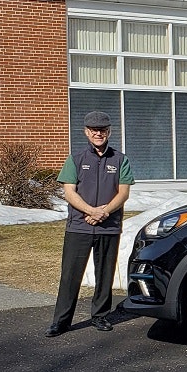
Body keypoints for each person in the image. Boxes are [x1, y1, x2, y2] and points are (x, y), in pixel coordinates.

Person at [45, 111, 135, 337]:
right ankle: (61, 321)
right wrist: (90, 211)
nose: (98, 133)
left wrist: (103, 212)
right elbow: (69, 192)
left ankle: (100, 316)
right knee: (70, 275)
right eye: (94, 130)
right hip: (79, 226)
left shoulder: (120, 160)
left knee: (105, 274)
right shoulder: (75, 160)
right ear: (86, 132)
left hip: (109, 226)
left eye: (102, 130)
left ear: (109, 132)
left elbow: (123, 193)